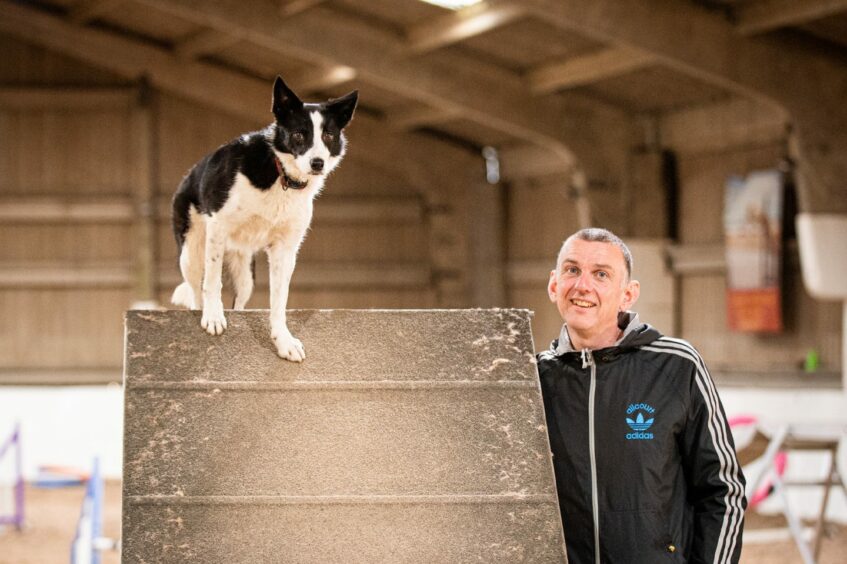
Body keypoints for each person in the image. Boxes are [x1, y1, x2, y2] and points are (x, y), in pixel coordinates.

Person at [537, 228, 746, 564]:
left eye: (601, 274)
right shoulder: (536, 381)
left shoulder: (676, 366)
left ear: (628, 294)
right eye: (572, 270)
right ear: (554, 285)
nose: (582, 286)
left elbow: (723, 489)